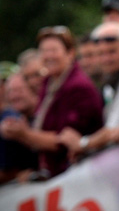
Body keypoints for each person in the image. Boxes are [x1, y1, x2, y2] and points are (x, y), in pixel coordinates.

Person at [0, 27, 103, 178]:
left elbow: (64, 142)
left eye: (54, 50)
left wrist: (24, 134)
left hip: (80, 174)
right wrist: (21, 129)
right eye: (43, 51)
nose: (48, 56)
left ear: (70, 53)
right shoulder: (50, 81)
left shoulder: (78, 86)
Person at [59, 22, 119, 157]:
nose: (106, 59)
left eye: (112, 51)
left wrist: (82, 144)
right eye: (101, 53)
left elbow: (114, 129)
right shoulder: (113, 75)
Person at [0, 73, 38, 184]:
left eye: (19, 90)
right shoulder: (15, 119)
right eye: (10, 91)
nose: (14, 96)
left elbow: (10, 171)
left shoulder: (9, 120)